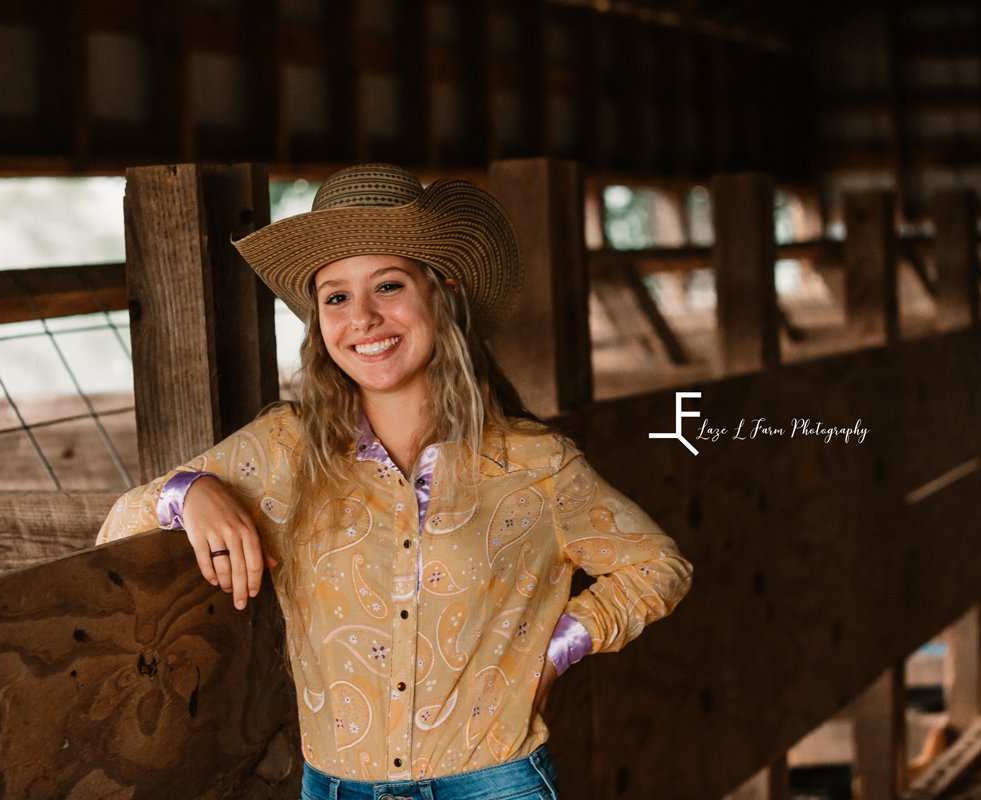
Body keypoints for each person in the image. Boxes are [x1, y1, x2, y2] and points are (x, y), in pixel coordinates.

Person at [97, 163, 693, 799]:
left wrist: (556, 649)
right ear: (320, 326)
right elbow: (117, 530)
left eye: (388, 285)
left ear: (441, 292)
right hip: (338, 789)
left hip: (493, 784)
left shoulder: (534, 464)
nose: (363, 318)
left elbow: (658, 566)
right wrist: (191, 492)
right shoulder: (284, 452)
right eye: (336, 297)